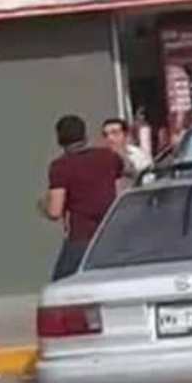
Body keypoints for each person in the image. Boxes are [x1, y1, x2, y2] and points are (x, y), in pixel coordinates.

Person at [39, 115, 124, 281]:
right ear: (85, 136)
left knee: (61, 287)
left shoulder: (60, 166)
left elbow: (55, 210)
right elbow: (125, 177)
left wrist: (43, 206)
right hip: (110, 232)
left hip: (81, 237)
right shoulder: (108, 156)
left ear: (60, 140)